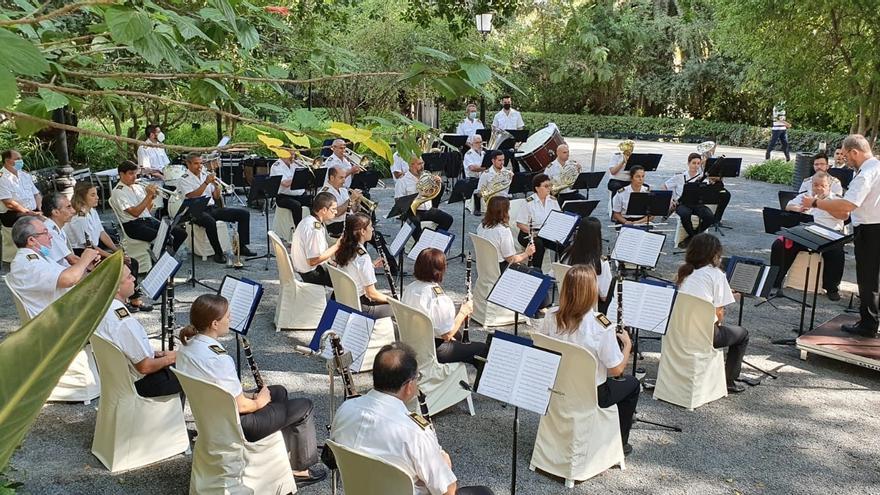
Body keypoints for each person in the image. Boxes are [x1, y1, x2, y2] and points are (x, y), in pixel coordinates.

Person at [177, 294, 326, 486]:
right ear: (214, 324)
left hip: (213, 417)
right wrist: (259, 401)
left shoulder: (186, 347)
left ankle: (279, 453)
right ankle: (300, 469)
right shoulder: (219, 358)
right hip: (240, 425)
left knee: (278, 391)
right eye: (228, 317)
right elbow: (241, 406)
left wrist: (254, 394)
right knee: (304, 406)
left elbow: (218, 389)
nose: (230, 320)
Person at [330, 343, 494, 495]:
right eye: (417, 377)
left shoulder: (345, 409)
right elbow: (447, 491)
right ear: (408, 386)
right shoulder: (415, 433)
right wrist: (445, 464)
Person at [538, 264, 637, 455]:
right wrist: (627, 347)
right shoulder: (601, 325)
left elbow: (543, 348)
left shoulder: (551, 315)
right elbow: (616, 371)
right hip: (591, 393)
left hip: (556, 386)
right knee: (632, 385)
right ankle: (621, 443)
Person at [802, 134, 880, 337]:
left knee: (868, 278)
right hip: (873, 225)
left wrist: (815, 203)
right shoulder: (875, 167)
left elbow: (848, 204)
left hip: (870, 229)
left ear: (855, 152)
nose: (844, 159)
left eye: (846, 155)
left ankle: (868, 324)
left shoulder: (866, 173)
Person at [676, 233, 750, 393]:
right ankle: (729, 380)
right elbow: (719, 312)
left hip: (679, 330)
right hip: (703, 334)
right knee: (742, 334)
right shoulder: (716, 274)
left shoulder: (685, 272)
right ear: (714, 254)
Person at [402, 248, 488, 383]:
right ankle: (484, 384)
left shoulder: (410, 288)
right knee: (482, 348)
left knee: (459, 337)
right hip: (434, 349)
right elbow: (447, 336)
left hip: (414, 342)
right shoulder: (439, 298)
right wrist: (463, 312)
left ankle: (464, 373)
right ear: (439, 271)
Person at [95, 265, 180, 397]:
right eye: (129, 277)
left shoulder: (102, 307)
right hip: (140, 383)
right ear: (116, 287)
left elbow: (130, 349)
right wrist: (172, 357)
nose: (134, 278)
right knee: (194, 368)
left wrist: (157, 353)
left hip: (120, 379)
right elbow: (145, 367)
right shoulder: (124, 322)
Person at [67, 182, 151, 312]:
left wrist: (117, 251)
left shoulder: (92, 212)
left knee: (131, 261)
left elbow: (102, 233)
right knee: (123, 265)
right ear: (82, 197)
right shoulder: (79, 218)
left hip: (94, 250)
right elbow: (89, 246)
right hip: (84, 254)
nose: (97, 197)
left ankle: (133, 299)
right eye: (93, 195)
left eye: (96, 194)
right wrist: (114, 256)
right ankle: (120, 300)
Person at [771, 171, 845, 301]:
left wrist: (821, 204)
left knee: (837, 252)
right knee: (780, 244)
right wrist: (798, 209)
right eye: (815, 185)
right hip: (804, 233)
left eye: (822, 185)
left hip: (827, 235)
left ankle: (831, 288)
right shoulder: (806, 196)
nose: (818, 188)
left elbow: (845, 216)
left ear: (829, 186)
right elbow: (788, 206)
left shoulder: (836, 199)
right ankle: (775, 280)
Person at [6, 215, 97, 317]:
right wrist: (84, 259)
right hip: (58, 317)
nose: (50, 236)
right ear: (31, 240)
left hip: (66, 307)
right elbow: (67, 280)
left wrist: (88, 266)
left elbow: (73, 277)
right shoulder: (27, 263)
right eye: (45, 232)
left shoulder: (41, 257)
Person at [177, 152, 255, 263]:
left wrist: (216, 186)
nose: (199, 166)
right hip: (194, 211)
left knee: (243, 214)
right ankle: (218, 253)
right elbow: (192, 195)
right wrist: (206, 183)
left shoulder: (205, 174)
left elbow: (216, 196)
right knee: (210, 222)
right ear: (188, 164)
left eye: (201, 163)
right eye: (196, 163)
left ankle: (241, 247)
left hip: (211, 208)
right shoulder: (183, 179)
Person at [110, 161, 186, 252]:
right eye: (131, 174)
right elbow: (135, 213)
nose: (134, 177)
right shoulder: (118, 192)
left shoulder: (137, 187)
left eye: (135, 173)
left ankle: (167, 257)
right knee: (164, 238)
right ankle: (159, 259)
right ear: (121, 174)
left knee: (180, 233)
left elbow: (147, 210)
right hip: (133, 225)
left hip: (147, 220)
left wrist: (152, 197)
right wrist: (148, 196)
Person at [334, 213, 393, 319]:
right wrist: (392, 300)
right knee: (398, 309)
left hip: (343, 299)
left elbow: (354, 269)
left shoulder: (344, 248)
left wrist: (371, 265)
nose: (373, 229)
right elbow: (371, 294)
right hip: (360, 306)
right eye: (370, 226)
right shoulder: (363, 257)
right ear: (362, 231)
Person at [664, 153, 715, 247]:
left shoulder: (703, 178)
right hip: (682, 203)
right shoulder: (679, 176)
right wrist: (671, 200)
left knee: (710, 217)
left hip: (697, 204)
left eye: (698, 163)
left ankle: (691, 238)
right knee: (685, 214)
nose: (696, 166)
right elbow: (665, 186)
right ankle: (694, 238)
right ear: (688, 163)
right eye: (693, 163)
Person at [395, 154, 453, 235]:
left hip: (428, 209)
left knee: (448, 219)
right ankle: (420, 243)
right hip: (411, 211)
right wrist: (416, 196)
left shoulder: (427, 177)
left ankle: (434, 238)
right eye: (419, 164)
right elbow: (398, 201)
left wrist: (437, 183)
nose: (422, 166)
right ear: (411, 165)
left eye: (422, 163)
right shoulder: (402, 181)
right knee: (415, 226)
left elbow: (435, 192)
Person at [561, 216, 612, 308]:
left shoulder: (566, 254)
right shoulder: (601, 263)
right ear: (598, 236)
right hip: (589, 307)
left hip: (567, 304)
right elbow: (604, 296)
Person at [291, 191, 339, 287]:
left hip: (307, 269)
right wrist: (337, 246)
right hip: (311, 274)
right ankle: (335, 301)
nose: (336, 212)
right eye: (333, 209)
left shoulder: (308, 220)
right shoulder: (314, 229)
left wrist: (330, 261)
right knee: (347, 281)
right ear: (324, 210)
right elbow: (313, 261)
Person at [476, 196, 534, 271]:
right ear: (504, 212)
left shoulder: (481, 226)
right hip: (500, 269)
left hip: (485, 266)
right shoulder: (503, 231)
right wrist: (527, 253)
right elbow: (511, 259)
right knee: (537, 272)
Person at [515, 173, 560, 270]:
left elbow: (558, 218)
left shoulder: (553, 200)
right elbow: (520, 224)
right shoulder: (529, 202)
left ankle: (563, 270)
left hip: (547, 232)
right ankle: (536, 271)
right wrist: (534, 233)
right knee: (538, 244)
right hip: (529, 233)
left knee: (565, 243)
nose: (549, 188)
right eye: (546, 186)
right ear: (537, 188)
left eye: (550, 186)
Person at [0, 149, 41, 228]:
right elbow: (9, 203)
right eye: (18, 159)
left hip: (33, 213)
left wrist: (39, 209)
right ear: (7, 161)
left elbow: (36, 194)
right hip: (14, 217)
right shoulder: (2, 178)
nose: (21, 161)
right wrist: (28, 212)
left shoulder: (24, 175)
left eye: (21, 158)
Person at [271, 153, 312, 226]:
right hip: (283, 196)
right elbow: (285, 183)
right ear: (282, 154)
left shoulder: (294, 164)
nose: (293, 157)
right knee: (296, 205)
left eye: (294, 155)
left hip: (299, 195)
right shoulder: (276, 166)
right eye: (290, 155)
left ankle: (313, 227)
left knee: (315, 200)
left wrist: (308, 170)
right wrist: (299, 175)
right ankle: (298, 230)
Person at [41, 192, 78, 267]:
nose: (73, 211)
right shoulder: (50, 231)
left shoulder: (56, 228)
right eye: (68, 207)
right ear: (55, 212)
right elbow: (72, 260)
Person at [320, 166, 352, 238]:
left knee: (372, 232)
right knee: (362, 232)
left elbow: (352, 210)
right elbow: (335, 213)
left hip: (347, 222)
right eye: (341, 178)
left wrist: (357, 203)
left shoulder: (343, 190)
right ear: (332, 178)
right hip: (334, 225)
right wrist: (350, 200)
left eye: (344, 177)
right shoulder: (325, 193)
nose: (344, 181)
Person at [462, 135, 485, 215]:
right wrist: (485, 167)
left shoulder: (483, 153)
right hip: (472, 178)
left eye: (480, 142)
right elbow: (472, 168)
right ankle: (477, 208)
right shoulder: (468, 154)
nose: (479, 144)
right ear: (471, 144)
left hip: (482, 176)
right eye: (477, 143)